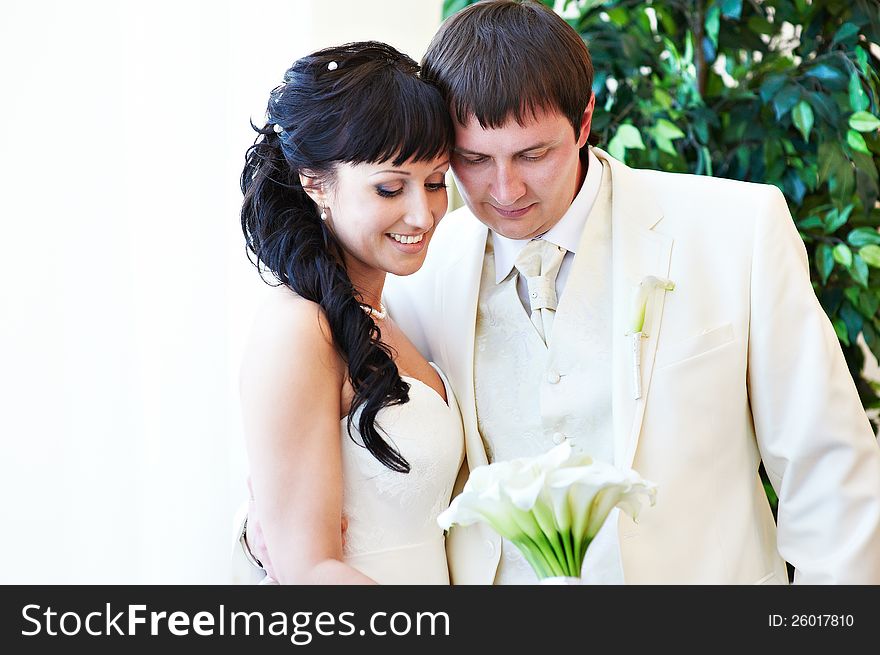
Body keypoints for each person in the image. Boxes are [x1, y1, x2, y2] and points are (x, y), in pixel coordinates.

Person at [241, 1, 880, 584]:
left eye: (532, 154)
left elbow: (829, 472)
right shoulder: (419, 269)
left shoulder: (734, 230)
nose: (504, 190)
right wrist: (277, 535)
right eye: (470, 161)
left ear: (584, 121)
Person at [236, 41, 464, 585]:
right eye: (390, 187)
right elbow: (310, 571)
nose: (423, 212)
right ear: (316, 183)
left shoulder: (388, 313)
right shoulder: (299, 329)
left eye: (435, 182)